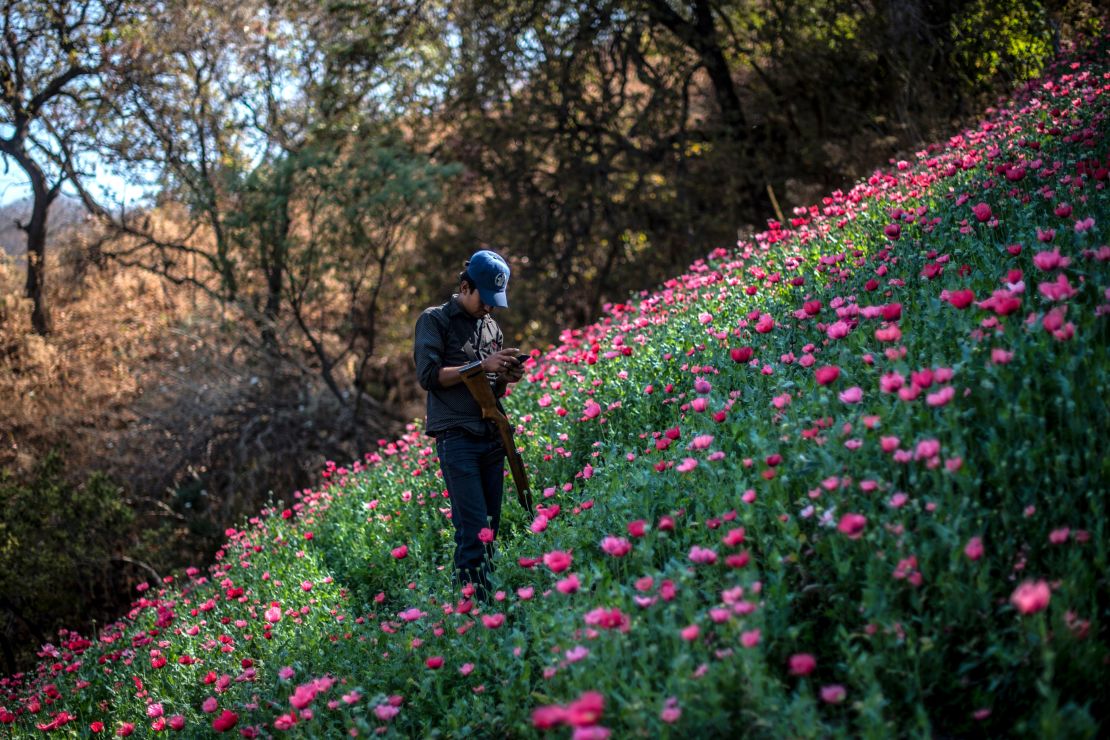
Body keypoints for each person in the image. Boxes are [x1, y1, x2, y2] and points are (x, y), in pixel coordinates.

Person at [413, 249, 525, 600]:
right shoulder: (435, 321)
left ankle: (486, 603)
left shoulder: (492, 328)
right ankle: (470, 613)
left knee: (491, 530)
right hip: (456, 438)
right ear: (465, 287)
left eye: (495, 301)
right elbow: (429, 376)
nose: (489, 308)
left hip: (490, 437)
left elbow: (492, 387)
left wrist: (507, 375)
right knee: (473, 532)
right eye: (484, 300)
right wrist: (481, 366)